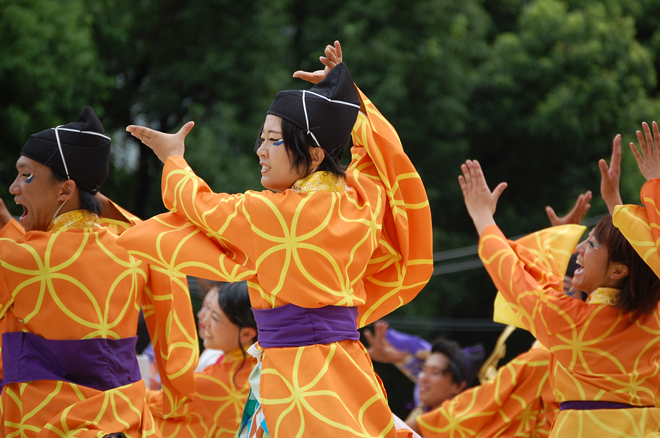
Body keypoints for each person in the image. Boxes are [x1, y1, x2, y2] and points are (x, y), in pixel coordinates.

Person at [118, 41, 433, 438]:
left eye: (273, 140)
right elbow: (384, 155)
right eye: (261, 139)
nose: (260, 152)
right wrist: (349, 98)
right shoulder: (363, 198)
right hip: (347, 368)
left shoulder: (272, 215)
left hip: (295, 380)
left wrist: (174, 157)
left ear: (315, 155)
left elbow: (197, 204)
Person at [0, 107, 199, 437]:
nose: (13, 187)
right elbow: (175, 339)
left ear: (65, 190)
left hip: (46, 422)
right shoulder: (137, 244)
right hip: (126, 420)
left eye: (26, 175)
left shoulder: (20, 258)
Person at [458, 129, 660, 437]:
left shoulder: (572, 322)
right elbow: (649, 259)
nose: (579, 249)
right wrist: (641, 191)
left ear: (619, 271)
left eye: (590, 245)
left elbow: (517, 279)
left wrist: (483, 218)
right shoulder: (654, 320)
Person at [146, 281, 258, 438]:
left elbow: (143, 404)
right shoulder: (263, 365)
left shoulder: (212, 382)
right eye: (206, 307)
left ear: (246, 334)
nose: (202, 317)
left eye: (215, 317)